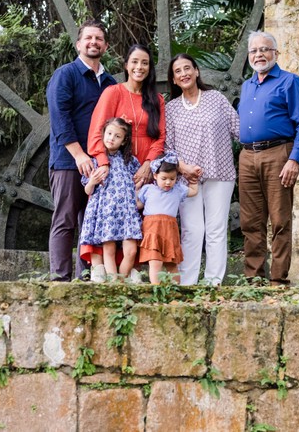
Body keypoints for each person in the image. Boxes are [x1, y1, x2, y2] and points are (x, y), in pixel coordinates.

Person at [237, 31, 299, 285]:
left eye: (264, 49)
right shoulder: (247, 85)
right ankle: (254, 278)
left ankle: (278, 280)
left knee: (280, 220)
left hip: (278, 155)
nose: (259, 54)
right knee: (250, 221)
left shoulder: (290, 82)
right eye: (254, 51)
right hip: (248, 156)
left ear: (275, 53)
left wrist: (294, 159)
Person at [83, 44, 167, 277]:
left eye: (145, 63)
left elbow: (160, 137)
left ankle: (133, 270)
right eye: (135, 62)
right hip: (117, 168)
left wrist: (149, 164)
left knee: (139, 219)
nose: (139, 67)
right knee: (109, 217)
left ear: (150, 68)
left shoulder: (156, 99)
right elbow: (97, 132)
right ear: (126, 65)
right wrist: (105, 164)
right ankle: (102, 270)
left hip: (145, 167)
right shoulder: (113, 92)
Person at [46, 20, 116, 282]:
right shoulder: (66, 75)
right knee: (65, 218)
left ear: (105, 46)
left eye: (98, 39)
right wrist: (79, 155)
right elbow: (60, 118)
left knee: (91, 221)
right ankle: (60, 279)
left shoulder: (110, 82)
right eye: (88, 38)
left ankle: (85, 277)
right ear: (78, 44)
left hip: (98, 163)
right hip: (68, 161)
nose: (93, 42)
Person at [165, 54, 239, 285]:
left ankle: (213, 282)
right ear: (174, 80)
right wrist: (182, 167)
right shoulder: (171, 108)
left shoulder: (216, 98)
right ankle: (187, 282)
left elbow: (238, 129)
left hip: (221, 173)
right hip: (187, 179)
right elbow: (166, 147)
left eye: (188, 68)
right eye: (178, 71)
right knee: (192, 230)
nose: (184, 73)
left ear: (197, 72)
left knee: (216, 230)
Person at [79, 118, 143, 282]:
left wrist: (138, 193)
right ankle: (114, 284)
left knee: (131, 250)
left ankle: (120, 280)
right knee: (109, 249)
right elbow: (88, 190)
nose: (111, 138)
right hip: (107, 211)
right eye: (109, 134)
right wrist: (92, 181)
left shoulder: (130, 161)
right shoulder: (96, 161)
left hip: (127, 211)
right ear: (103, 134)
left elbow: (138, 182)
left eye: (117, 136)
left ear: (123, 141)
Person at [137, 153, 198, 285]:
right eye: (164, 178)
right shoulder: (147, 189)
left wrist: (194, 180)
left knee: (171, 264)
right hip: (152, 230)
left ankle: (176, 289)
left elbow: (193, 192)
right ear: (155, 176)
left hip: (169, 230)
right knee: (155, 262)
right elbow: (138, 205)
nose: (168, 182)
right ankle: (156, 289)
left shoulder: (178, 189)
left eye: (172, 178)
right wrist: (135, 190)